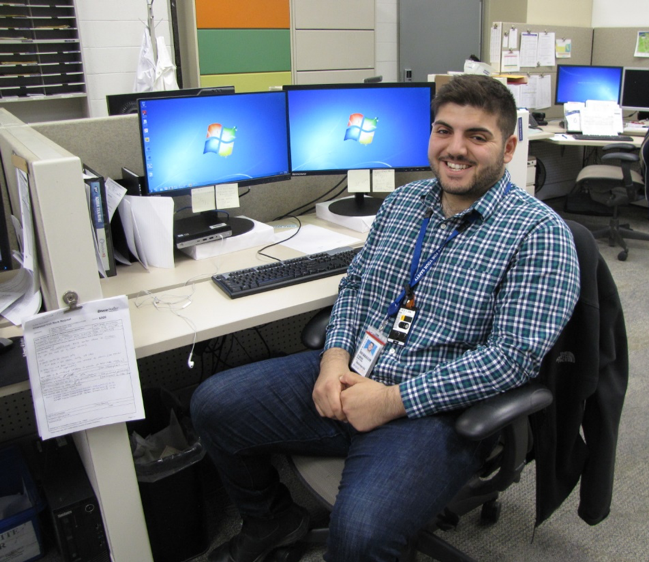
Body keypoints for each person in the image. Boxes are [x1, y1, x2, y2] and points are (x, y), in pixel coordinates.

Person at [191, 74, 581, 562]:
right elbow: (356, 287)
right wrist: (334, 359)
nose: (455, 149)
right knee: (212, 403)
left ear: (508, 149)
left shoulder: (539, 234)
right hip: (355, 371)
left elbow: (511, 360)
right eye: (444, 131)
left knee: (360, 537)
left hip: (434, 411)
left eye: (476, 136)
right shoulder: (402, 203)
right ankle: (272, 521)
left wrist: (392, 401)